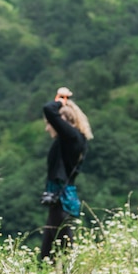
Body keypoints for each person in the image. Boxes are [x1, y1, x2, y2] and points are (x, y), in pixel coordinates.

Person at [40, 87, 93, 262]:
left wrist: (60, 100)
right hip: (61, 200)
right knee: (50, 250)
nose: (48, 127)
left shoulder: (72, 138)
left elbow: (49, 109)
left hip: (61, 201)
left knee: (58, 249)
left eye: (50, 123)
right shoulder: (72, 140)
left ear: (63, 120)